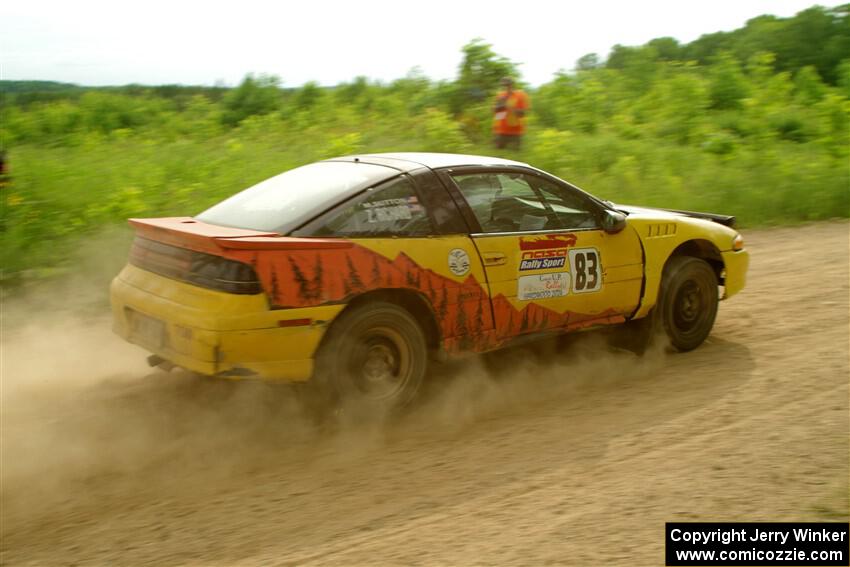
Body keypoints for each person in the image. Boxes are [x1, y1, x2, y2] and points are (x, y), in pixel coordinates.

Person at [492, 77, 529, 150]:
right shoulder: (500, 95)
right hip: (501, 130)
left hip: (516, 131)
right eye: (503, 85)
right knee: (499, 151)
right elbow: (495, 112)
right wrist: (500, 106)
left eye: (507, 85)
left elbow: (522, 114)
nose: (506, 87)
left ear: (512, 85)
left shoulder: (520, 95)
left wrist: (510, 107)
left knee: (515, 153)